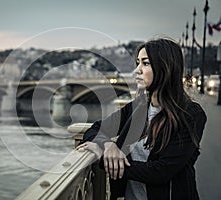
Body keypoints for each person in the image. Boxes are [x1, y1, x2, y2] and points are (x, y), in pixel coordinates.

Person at [76, 37, 207, 200]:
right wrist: (108, 145)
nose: (137, 70)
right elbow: (95, 129)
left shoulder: (191, 114)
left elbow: (160, 172)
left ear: (165, 68)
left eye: (145, 63)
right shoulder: (139, 107)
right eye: (137, 63)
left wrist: (104, 158)